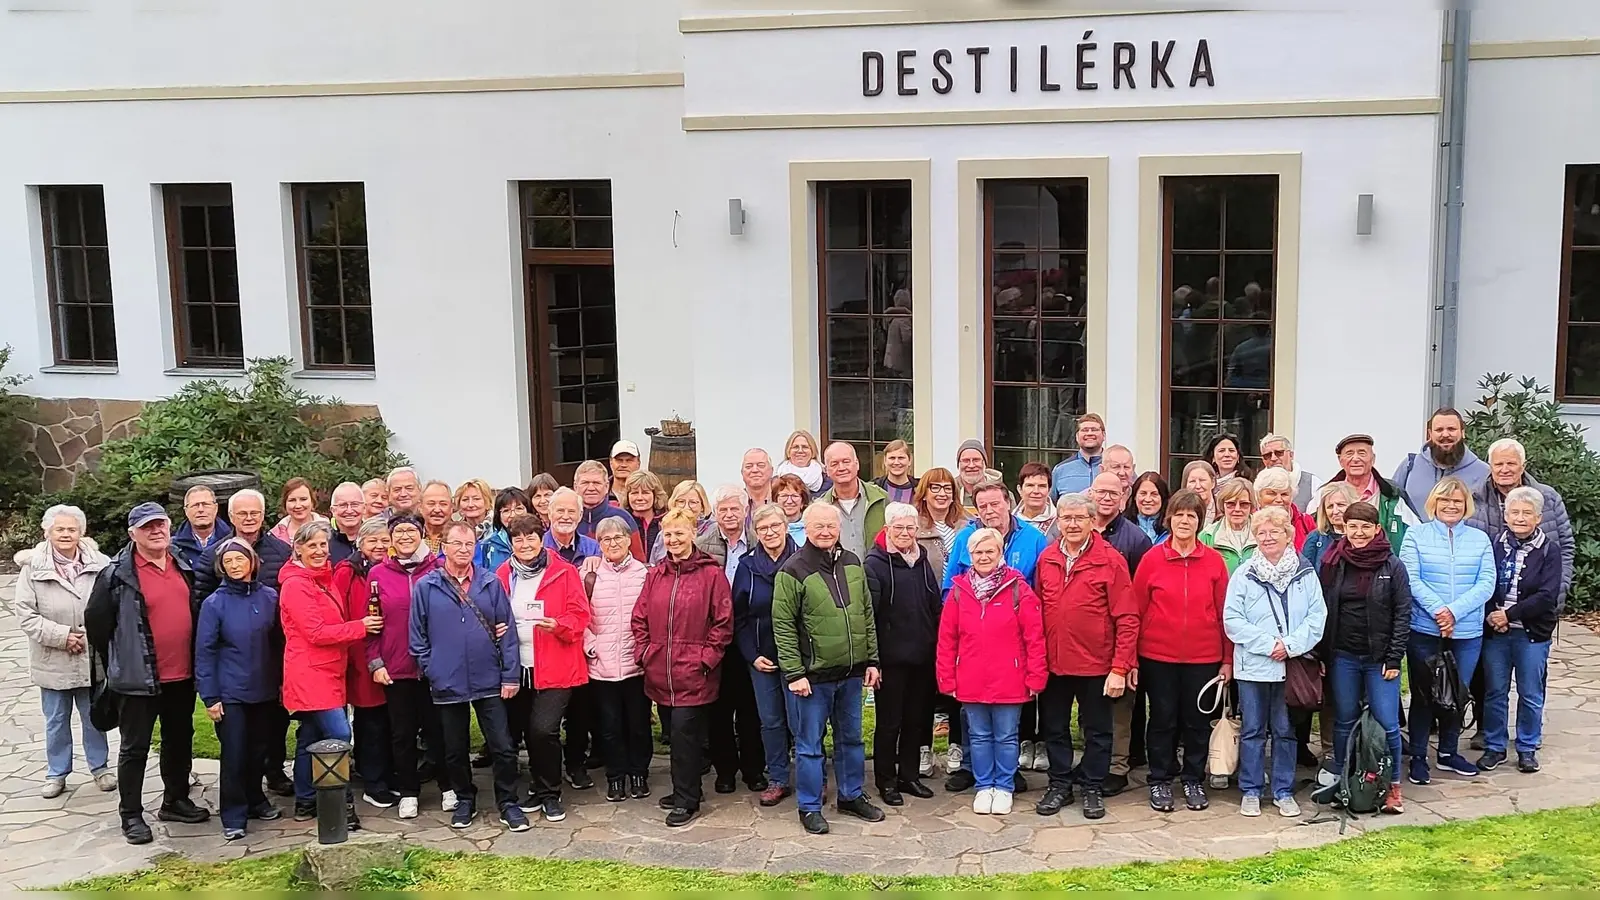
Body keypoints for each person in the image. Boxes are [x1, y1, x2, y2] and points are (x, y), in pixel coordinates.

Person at [86, 502, 209, 844]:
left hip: (181, 676)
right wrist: (122, 659)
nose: (156, 531)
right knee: (135, 748)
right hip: (137, 678)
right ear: (132, 534)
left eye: (160, 524)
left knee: (179, 741)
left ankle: (175, 800)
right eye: (147, 527)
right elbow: (97, 624)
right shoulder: (116, 575)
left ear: (169, 526)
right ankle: (131, 815)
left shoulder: (181, 563)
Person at [773, 503, 886, 834]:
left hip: (851, 673)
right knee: (810, 745)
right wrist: (794, 673)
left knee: (852, 739)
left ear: (839, 528)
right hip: (812, 677)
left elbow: (866, 614)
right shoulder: (792, 570)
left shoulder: (852, 563)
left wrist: (872, 660)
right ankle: (809, 806)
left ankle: (851, 795)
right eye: (818, 526)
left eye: (830, 526)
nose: (825, 531)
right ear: (806, 529)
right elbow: (783, 625)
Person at [410, 520, 525, 831]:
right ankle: (465, 799)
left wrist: (510, 676)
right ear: (444, 547)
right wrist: (432, 668)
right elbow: (417, 636)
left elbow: (507, 632)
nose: (463, 550)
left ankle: (508, 802)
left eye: (469, 544)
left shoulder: (490, 583)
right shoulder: (426, 586)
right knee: (455, 749)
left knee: (503, 746)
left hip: (489, 678)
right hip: (447, 681)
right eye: (457, 544)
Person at [1033, 493, 1135, 820]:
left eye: (1080, 518)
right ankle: (1060, 784)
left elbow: (1127, 617)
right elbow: (1037, 610)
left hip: (1096, 664)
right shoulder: (1047, 558)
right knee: (1054, 727)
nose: (1073, 524)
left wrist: (1120, 667)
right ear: (1058, 521)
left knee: (1097, 730)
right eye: (1067, 518)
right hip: (1054, 663)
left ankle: (1092, 785)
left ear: (1093, 521)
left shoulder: (1110, 560)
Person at [1223, 506, 1327, 818]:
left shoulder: (1305, 573)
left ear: (1288, 535)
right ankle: (1251, 789)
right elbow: (1232, 620)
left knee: (1284, 730)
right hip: (1253, 667)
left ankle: (1283, 790)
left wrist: (1290, 646)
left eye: (1275, 531)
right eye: (1262, 532)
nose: (1268, 537)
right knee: (1253, 730)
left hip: (1290, 667)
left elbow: (1317, 617)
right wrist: (1269, 645)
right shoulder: (1244, 574)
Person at [632, 509, 734, 827]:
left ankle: (687, 799)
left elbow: (723, 622)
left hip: (695, 673)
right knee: (674, 736)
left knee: (685, 735)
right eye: (668, 534)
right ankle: (685, 788)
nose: (673, 539)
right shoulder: (656, 575)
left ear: (693, 533)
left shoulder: (711, 574)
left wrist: (706, 659)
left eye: (679, 532)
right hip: (660, 671)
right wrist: (645, 652)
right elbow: (640, 617)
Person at [1134, 489, 1231, 814]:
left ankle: (1192, 779)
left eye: (1192, 515)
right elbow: (1137, 610)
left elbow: (1224, 614)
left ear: (1200, 521)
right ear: (1169, 519)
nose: (1185, 521)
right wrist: (1131, 658)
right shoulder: (1152, 559)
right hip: (1157, 656)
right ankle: (1160, 779)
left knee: (1197, 722)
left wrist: (1227, 659)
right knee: (1162, 719)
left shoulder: (1214, 561)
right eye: (1179, 515)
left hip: (1204, 657)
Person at [939, 527, 1048, 817]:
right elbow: (947, 639)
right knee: (978, 736)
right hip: (971, 677)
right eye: (978, 552)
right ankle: (984, 785)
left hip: (1010, 677)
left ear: (1001, 553)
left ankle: (1004, 786)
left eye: (990, 551)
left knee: (1007, 736)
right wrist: (946, 677)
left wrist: (1036, 675)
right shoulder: (959, 591)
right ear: (969, 556)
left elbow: (1034, 637)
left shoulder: (1018, 588)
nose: (984, 557)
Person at [1311, 501, 1410, 816]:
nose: (1359, 532)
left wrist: (1394, 658)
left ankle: (1392, 786)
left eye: (1366, 526)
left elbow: (1402, 613)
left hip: (1379, 658)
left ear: (1377, 529)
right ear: (1345, 527)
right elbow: (1323, 608)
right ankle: (1344, 780)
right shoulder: (1333, 561)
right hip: (1343, 655)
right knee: (1344, 720)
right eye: (1353, 526)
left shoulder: (1392, 566)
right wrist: (1322, 653)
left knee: (1387, 722)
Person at [1400, 475, 1495, 784]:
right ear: (1434, 503)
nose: (1451, 505)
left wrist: (1454, 612)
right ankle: (1418, 756)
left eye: (1457, 500)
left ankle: (1448, 753)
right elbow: (1411, 578)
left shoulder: (1479, 539)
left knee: (1456, 695)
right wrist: (1439, 610)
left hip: (1466, 632)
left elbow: (1486, 583)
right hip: (1425, 630)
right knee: (1424, 695)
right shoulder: (1416, 535)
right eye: (1445, 500)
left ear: (1465, 504)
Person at [495, 514, 589, 823]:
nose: (524, 544)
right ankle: (537, 786)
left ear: (541, 539)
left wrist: (558, 625)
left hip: (555, 664)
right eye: (517, 539)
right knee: (526, 730)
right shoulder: (503, 573)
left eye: (530, 537)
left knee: (543, 729)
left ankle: (551, 793)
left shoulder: (564, 572)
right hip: (517, 665)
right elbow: (492, 611)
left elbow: (580, 616)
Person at [278, 521, 372, 830]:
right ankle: (340, 802)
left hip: (329, 670)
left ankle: (306, 800)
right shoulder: (296, 584)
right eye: (312, 546)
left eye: (323, 545)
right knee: (338, 736)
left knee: (311, 736)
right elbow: (316, 632)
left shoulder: (323, 578)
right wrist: (361, 627)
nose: (319, 551)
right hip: (311, 674)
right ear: (298, 549)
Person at [16, 504, 114, 798]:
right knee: (56, 720)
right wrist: (62, 637)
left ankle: (100, 768)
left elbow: (109, 605)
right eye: (59, 529)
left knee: (93, 716)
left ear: (81, 532)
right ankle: (57, 773)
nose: (66, 534)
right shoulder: (33, 568)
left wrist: (91, 636)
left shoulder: (100, 564)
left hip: (90, 655)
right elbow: (26, 614)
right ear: (47, 532)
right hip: (52, 658)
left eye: (72, 529)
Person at [194, 537, 283, 839]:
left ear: (252, 562)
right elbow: (205, 652)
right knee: (235, 754)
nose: (234, 565)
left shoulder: (269, 596)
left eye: (239, 559)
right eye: (228, 561)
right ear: (221, 567)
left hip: (265, 688)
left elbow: (279, 643)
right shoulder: (214, 604)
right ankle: (233, 814)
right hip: (231, 691)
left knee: (259, 750)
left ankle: (255, 799)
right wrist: (210, 696)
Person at [367, 514, 448, 819]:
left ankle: (449, 786)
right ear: (390, 538)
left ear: (422, 534)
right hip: (397, 667)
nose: (404, 536)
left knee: (440, 730)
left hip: (434, 667)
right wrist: (375, 662)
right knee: (402, 734)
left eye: (411, 530)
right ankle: (409, 792)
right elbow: (372, 622)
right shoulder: (377, 574)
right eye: (398, 531)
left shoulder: (439, 569)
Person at [1479, 487, 1560, 775]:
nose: (1520, 518)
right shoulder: (1494, 544)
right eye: (1515, 512)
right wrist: (1493, 615)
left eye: (1527, 513)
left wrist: (1509, 615)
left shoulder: (1549, 550)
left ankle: (1527, 747)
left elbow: (1547, 595)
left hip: (1531, 633)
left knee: (1530, 692)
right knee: (1494, 691)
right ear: (1506, 515)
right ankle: (1495, 746)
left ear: (1538, 518)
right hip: (1497, 632)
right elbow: (1484, 582)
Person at [865, 502, 942, 806]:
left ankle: (909, 776)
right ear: (887, 529)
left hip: (922, 656)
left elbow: (934, 604)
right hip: (890, 660)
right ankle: (886, 781)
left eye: (911, 528)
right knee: (889, 723)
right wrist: (873, 659)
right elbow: (869, 616)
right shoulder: (874, 564)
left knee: (916, 720)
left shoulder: (921, 559)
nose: (906, 533)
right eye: (899, 528)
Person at [695, 485, 765, 794]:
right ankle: (725, 771)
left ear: (745, 510)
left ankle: (753, 770)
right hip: (715, 636)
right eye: (723, 509)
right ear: (714, 513)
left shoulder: (758, 540)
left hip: (750, 634)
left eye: (735, 508)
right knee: (719, 709)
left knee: (751, 708)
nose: (729, 514)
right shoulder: (702, 545)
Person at [733, 504, 799, 807]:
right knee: (771, 721)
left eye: (775, 526)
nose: (770, 533)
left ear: (785, 526)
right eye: (763, 529)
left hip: (798, 658)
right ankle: (778, 778)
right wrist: (752, 655)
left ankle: (814, 777)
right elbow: (739, 617)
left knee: (802, 721)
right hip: (763, 659)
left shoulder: (802, 560)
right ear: (756, 533)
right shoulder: (747, 566)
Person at [586, 516, 653, 802]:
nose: (612, 543)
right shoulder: (589, 576)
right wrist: (591, 646)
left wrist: (645, 651)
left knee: (638, 725)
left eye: (618, 537)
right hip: (601, 667)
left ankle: (639, 773)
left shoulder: (645, 574)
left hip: (636, 665)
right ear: (599, 544)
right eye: (606, 539)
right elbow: (581, 616)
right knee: (609, 727)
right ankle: (615, 776)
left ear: (628, 540)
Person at [331, 518, 396, 810]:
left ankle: (388, 775)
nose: (379, 546)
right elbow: (337, 612)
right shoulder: (348, 571)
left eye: (384, 540)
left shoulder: (392, 568)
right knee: (370, 723)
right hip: (359, 654)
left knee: (389, 721)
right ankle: (373, 782)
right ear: (361, 543)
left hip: (390, 653)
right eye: (373, 540)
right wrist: (358, 627)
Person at [1469, 438, 1575, 609]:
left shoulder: (1548, 498)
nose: (1505, 469)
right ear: (1490, 467)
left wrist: (1559, 588)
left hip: (1539, 606)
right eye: (1499, 464)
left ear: (1523, 466)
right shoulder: (1473, 499)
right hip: (1487, 605)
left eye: (1511, 463)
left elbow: (1566, 546)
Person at [944, 479, 1049, 589]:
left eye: (994, 504)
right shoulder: (964, 537)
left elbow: (1042, 587)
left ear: (1008, 504)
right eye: (983, 507)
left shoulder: (1034, 538)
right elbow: (950, 587)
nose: (989, 511)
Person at [194, 489, 292, 599]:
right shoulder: (212, 555)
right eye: (242, 514)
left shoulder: (283, 552)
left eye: (254, 513)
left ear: (262, 515)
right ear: (231, 517)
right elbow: (202, 599)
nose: (249, 518)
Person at [1394, 407, 1490, 520]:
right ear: (1430, 434)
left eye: (1451, 429)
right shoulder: (1410, 465)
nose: (1445, 434)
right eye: (1439, 430)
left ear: (1463, 432)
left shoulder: (1484, 472)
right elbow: (1391, 505)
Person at [1326, 434, 1412, 550]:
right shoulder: (1324, 495)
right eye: (1349, 453)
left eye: (1362, 453)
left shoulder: (1392, 495)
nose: (1355, 459)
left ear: (1373, 459)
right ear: (1340, 461)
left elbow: (1415, 534)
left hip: (1384, 560)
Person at [817, 442, 890, 559]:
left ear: (857, 464)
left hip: (875, 570)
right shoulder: (821, 507)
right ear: (826, 470)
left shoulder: (881, 499)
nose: (841, 468)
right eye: (834, 464)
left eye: (846, 462)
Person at [912, 466, 965, 571]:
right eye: (935, 488)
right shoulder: (913, 527)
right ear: (924, 494)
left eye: (947, 488)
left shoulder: (967, 526)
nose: (942, 493)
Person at [1200, 479, 1258, 573]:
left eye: (1244, 504)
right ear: (1222, 505)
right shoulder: (1207, 536)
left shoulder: (1264, 533)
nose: (1237, 509)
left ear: (1251, 506)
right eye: (1231, 504)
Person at [1300, 483, 1359, 572]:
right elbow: (1305, 573)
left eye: (1340, 505)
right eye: (1330, 506)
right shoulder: (1315, 538)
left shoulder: (1362, 536)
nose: (1335, 511)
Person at [1254, 468, 1316, 551]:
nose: (1279, 499)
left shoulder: (1306, 522)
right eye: (1272, 494)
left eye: (1284, 494)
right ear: (1259, 497)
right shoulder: (1249, 523)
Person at [171, 485, 231, 569]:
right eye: (195, 505)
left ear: (216, 508)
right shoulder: (174, 547)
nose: (200, 509)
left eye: (206, 504)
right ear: (186, 511)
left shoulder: (231, 541)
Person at [1050, 414, 1106, 500]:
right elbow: (1052, 503)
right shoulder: (1060, 470)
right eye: (1084, 430)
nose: (1089, 433)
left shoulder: (1116, 467)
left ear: (1104, 435)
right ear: (1077, 436)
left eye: (1094, 430)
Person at [477, 486, 532, 574]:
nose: (513, 515)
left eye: (519, 509)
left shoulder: (539, 540)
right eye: (506, 511)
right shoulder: (488, 544)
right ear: (498, 515)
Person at [576, 460, 638, 537]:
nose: (591, 488)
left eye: (596, 483)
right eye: (585, 483)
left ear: (606, 486)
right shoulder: (567, 519)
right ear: (575, 486)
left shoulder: (624, 518)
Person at [1260, 434, 1319, 511]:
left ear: (1291, 455)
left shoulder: (1313, 483)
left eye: (1279, 453)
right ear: (1263, 460)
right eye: (1267, 455)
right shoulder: (1258, 485)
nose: (1273, 458)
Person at [545, 488, 600, 565]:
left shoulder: (593, 548)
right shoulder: (540, 546)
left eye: (571, 511)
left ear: (580, 515)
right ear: (549, 513)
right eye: (560, 511)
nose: (566, 517)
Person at [623, 470, 668, 563]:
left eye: (645, 493)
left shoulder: (666, 520)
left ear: (655, 495)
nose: (639, 498)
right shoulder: (621, 521)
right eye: (634, 493)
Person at [955, 440, 1005, 516]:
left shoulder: (1002, 493)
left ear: (984, 463)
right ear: (958, 464)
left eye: (976, 460)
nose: (971, 465)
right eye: (966, 461)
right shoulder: (950, 493)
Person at [269, 477, 326, 544]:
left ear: (312, 501)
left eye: (303, 499)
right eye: (292, 500)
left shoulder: (329, 530)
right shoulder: (273, 536)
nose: (298, 506)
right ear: (285, 503)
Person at [775, 429, 830, 495]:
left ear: (813, 452)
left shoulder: (827, 480)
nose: (800, 451)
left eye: (805, 447)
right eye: (795, 447)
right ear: (788, 452)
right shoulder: (776, 482)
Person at [327, 482, 367, 564]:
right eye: (343, 505)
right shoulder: (324, 542)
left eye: (355, 504)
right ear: (333, 510)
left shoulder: (376, 539)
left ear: (364, 508)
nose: (349, 511)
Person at [1126, 472, 1171, 544]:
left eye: (1154, 494)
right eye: (1143, 493)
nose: (1148, 499)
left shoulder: (1172, 528)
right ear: (1134, 496)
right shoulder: (1123, 527)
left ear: (1163, 497)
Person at [772, 473, 812, 547]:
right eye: (784, 496)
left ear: (803, 501)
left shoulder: (811, 527)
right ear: (775, 500)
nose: (789, 501)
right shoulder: (770, 528)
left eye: (794, 496)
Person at [874, 439, 920, 504]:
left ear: (909, 461)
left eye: (901, 458)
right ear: (885, 461)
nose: (896, 462)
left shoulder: (920, 489)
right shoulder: (873, 488)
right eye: (892, 458)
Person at [1014, 461, 1055, 530]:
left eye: (1042, 486)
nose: (1036, 491)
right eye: (1030, 485)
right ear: (1020, 489)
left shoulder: (1059, 522)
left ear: (1049, 490)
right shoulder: (1009, 522)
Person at [419, 480, 455, 552]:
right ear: (420, 507)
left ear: (452, 507)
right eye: (431, 504)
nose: (437, 510)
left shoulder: (462, 536)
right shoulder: (411, 536)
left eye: (443, 504)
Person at [1182, 460, 1219, 525]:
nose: (1198, 486)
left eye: (1202, 480)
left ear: (1213, 482)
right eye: (1192, 481)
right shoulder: (1177, 510)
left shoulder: (1223, 509)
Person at [609, 440, 642, 505]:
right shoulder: (600, 491)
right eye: (619, 460)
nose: (624, 465)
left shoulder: (647, 495)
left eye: (629, 460)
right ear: (611, 463)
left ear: (638, 463)